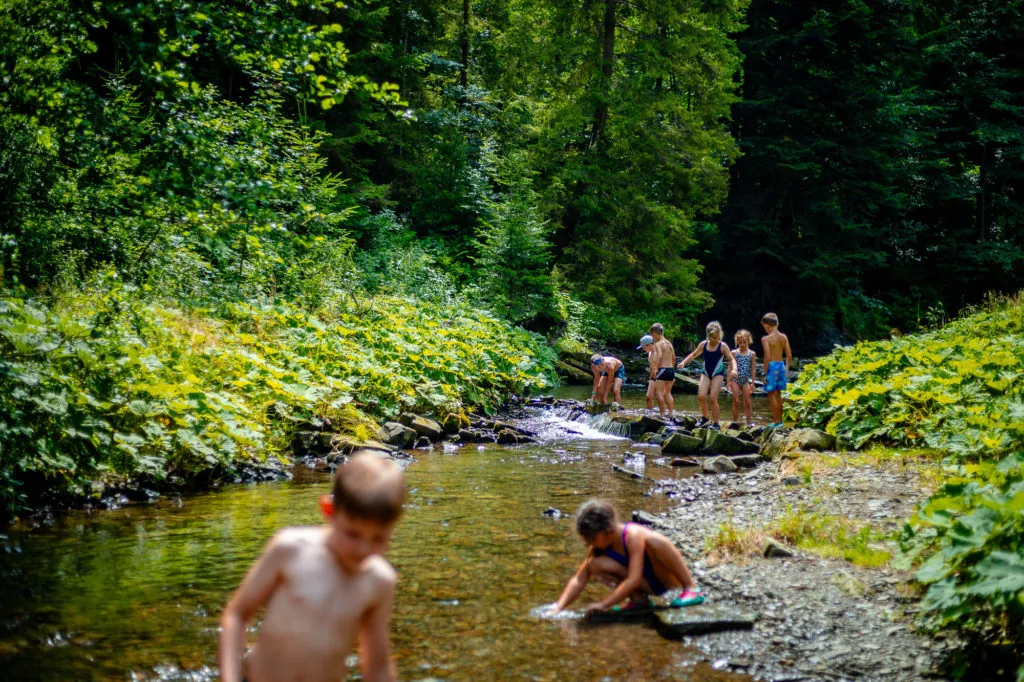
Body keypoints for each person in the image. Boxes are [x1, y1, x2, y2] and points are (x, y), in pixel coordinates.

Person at [219, 452, 406, 682]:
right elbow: (237, 615)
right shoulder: (291, 550)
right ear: (328, 510)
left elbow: (377, 667)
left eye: (378, 538)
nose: (363, 549)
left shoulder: (379, 582)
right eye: (353, 534)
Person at [553, 499, 703, 615]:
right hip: (647, 585)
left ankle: (691, 588)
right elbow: (579, 579)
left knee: (654, 540)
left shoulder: (632, 535)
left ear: (607, 530)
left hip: (667, 582)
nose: (588, 543)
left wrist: (604, 604)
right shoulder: (598, 547)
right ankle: (638, 601)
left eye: (591, 538)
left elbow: (634, 578)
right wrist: (558, 607)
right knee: (595, 564)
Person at [676, 321, 737, 430]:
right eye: (713, 337)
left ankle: (716, 423)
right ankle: (705, 417)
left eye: (717, 337)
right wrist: (683, 362)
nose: (715, 339)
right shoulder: (703, 344)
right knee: (701, 396)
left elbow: (731, 359)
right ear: (708, 336)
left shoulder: (722, 346)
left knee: (713, 398)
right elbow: (693, 354)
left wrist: (734, 370)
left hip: (718, 373)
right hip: (706, 372)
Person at [760, 312, 793, 428]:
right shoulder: (783, 337)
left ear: (766, 325)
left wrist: (764, 373)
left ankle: (776, 421)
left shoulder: (766, 339)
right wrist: (787, 369)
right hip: (781, 366)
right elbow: (789, 355)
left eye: (764, 326)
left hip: (772, 366)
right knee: (778, 394)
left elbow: (767, 357)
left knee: (771, 395)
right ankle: (780, 421)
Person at [728, 329, 757, 426]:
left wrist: (753, 383)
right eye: (740, 342)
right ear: (737, 342)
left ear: (749, 341)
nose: (742, 344)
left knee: (747, 402)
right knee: (736, 401)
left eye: (744, 342)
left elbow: (753, 369)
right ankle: (735, 421)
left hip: (745, 381)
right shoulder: (734, 353)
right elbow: (730, 367)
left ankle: (749, 422)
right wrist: (728, 381)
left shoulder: (752, 354)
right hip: (735, 380)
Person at [649, 323, 676, 418]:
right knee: (667, 393)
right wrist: (672, 369)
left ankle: (662, 414)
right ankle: (671, 413)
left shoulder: (658, 344)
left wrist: (655, 368)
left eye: (652, 335)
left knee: (659, 393)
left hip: (662, 369)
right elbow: (673, 358)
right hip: (670, 370)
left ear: (655, 333)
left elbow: (659, 355)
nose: (652, 337)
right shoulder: (669, 343)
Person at [637, 334, 657, 411]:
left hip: (661, 377)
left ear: (649, 345)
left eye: (643, 347)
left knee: (661, 397)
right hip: (653, 378)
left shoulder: (659, 352)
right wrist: (650, 378)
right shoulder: (650, 353)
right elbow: (651, 366)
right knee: (648, 397)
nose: (643, 349)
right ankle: (650, 414)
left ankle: (666, 414)